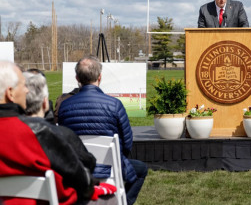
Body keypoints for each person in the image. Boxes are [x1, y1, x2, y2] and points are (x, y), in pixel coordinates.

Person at [0, 61, 95, 205]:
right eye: (23, 85)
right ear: (10, 93)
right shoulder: (37, 132)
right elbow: (81, 180)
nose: (27, 90)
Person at [58, 56, 147, 205]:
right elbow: (127, 143)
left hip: (77, 167)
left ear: (77, 78)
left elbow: (64, 140)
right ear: (100, 77)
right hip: (109, 167)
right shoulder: (114, 105)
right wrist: (117, 160)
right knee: (141, 170)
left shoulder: (65, 107)